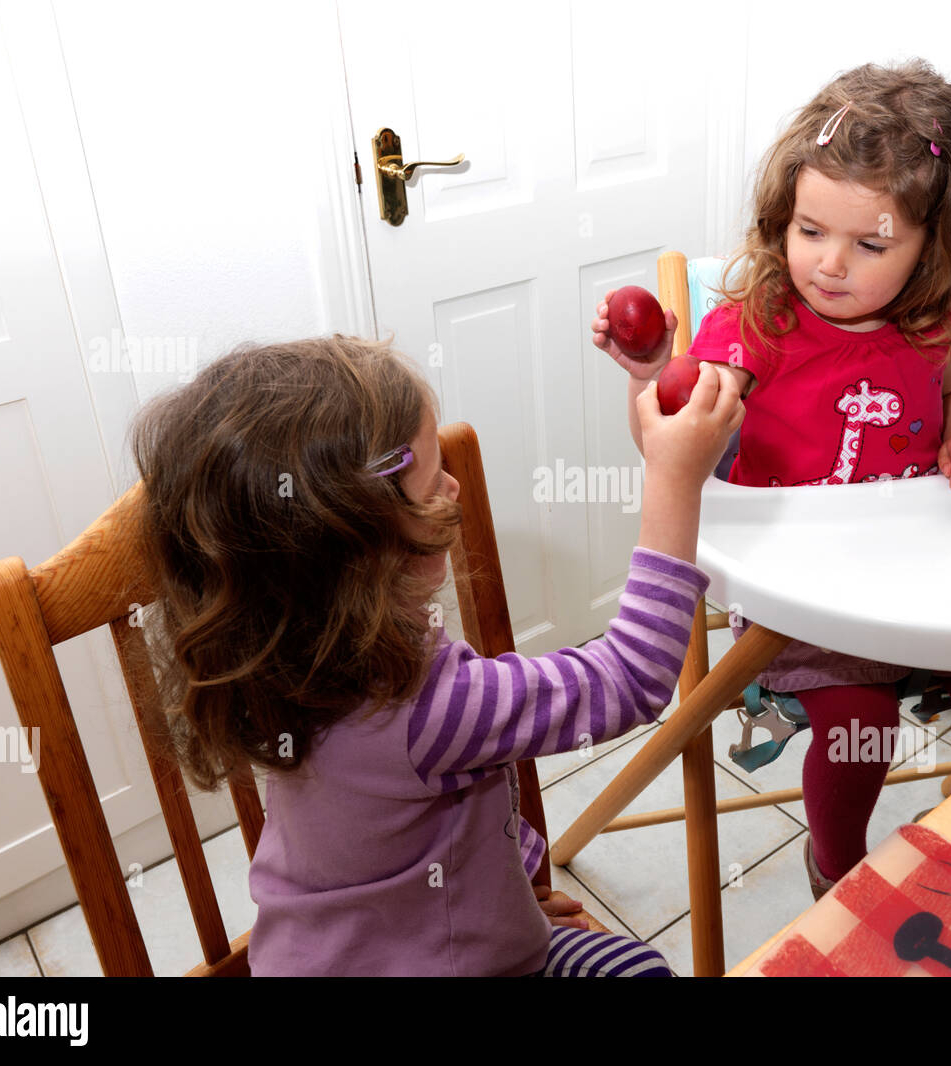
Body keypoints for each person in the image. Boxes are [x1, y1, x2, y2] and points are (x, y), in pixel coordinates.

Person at [130, 333, 743, 975]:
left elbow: (447, 804)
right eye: (430, 482)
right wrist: (675, 480)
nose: (453, 487)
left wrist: (517, 886)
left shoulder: (292, 653)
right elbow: (631, 680)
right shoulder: (423, 709)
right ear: (358, 553)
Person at [593, 59, 951, 901]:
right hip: (804, 583)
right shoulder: (758, 321)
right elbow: (675, 432)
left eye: (871, 243)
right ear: (784, 217)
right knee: (863, 731)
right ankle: (837, 869)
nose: (831, 264)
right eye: (811, 231)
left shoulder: (939, 311)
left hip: (924, 565)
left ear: (931, 248)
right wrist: (652, 373)